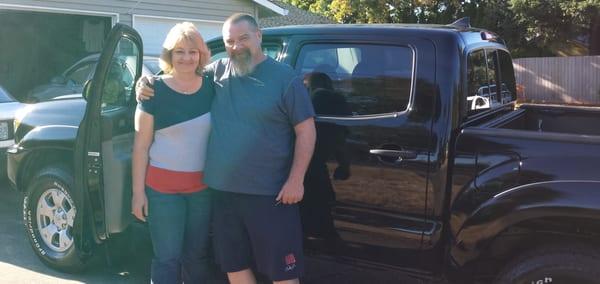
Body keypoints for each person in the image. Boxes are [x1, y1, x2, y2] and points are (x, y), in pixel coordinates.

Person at [136, 13, 316, 284]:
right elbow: (181, 76)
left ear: (259, 36)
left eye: (243, 38)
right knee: (234, 266)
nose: (236, 46)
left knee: (282, 272)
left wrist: (296, 180)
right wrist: (145, 83)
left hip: (270, 194)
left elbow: (306, 130)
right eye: (229, 41)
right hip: (222, 194)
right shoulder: (217, 72)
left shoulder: (284, 79)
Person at [131, 22, 214, 284]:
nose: (187, 58)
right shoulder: (152, 89)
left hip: (201, 190)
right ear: (169, 55)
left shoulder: (213, 87)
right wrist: (137, 194)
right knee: (166, 259)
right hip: (162, 191)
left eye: (193, 51)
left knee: (196, 258)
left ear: (201, 54)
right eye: (180, 51)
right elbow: (141, 147)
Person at [301, 72, 351, 242]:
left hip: (305, 165)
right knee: (323, 209)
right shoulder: (339, 101)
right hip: (320, 163)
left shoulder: (308, 102)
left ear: (310, 86)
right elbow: (340, 137)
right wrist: (344, 164)